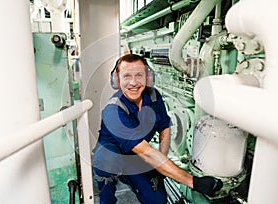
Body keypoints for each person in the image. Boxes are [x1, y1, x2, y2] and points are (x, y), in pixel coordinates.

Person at [92, 54, 223, 204]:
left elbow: (164, 127)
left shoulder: (153, 97)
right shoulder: (113, 111)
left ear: (147, 77)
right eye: (127, 76)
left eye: (139, 75)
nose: (134, 82)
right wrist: (193, 182)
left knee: (157, 200)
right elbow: (147, 153)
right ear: (117, 79)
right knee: (106, 165)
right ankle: (107, 195)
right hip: (114, 155)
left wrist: (162, 159)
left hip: (138, 154)